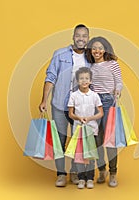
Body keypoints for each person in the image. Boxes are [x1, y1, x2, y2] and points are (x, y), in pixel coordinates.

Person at [39, 24, 90, 187]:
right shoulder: (59, 54)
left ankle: (74, 172)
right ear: (73, 37)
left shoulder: (90, 58)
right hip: (60, 104)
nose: (80, 38)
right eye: (78, 35)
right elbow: (51, 77)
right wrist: (43, 100)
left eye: (84, 36)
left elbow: (95, 81)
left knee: (77, 140)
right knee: (59, 140)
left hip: (80, 107)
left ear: (88, 39)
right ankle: (61, 174)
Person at [86, 36, 123, 187]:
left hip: (108, 101)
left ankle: (113, 173)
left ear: (105, 49)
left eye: (100, 48)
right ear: (91, 50)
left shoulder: (112, 64)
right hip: (94, 103)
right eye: (94, 48)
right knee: (97, 140)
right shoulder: (89, 67)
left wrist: (118, 91)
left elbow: (119, 81)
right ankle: (102, 170)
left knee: (110, 140)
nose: (97, 51)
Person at [67, 67, 103, 189]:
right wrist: (79, 118)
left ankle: (90, 178)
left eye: (87, 78)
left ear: (91, 80)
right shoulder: (73, 95)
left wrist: (89, 118)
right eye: (81, 78)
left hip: (92, 129)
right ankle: (81, 178)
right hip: (78, 130)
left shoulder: (94, 95)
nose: (84, 81)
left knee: (90, 155)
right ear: (77, 81)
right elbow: (70, 113)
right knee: (80, 155)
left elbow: (100, 113)